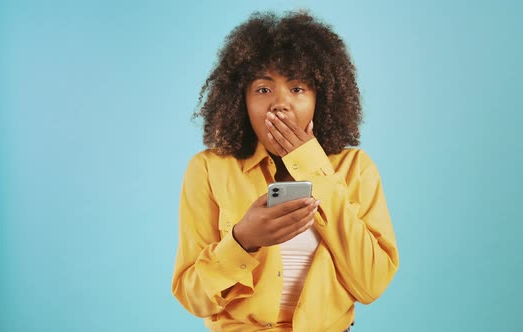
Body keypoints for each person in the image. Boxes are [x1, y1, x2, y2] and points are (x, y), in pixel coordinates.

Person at [171, 10, 399, 332]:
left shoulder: (355, 169)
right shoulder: (208, 169)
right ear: (241, 101)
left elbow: (371, 284)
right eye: (263, 90)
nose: (281, 104)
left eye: (298, 89)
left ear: (322, 98)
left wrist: (313, 167)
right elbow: (194, 299)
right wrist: (243, 241)